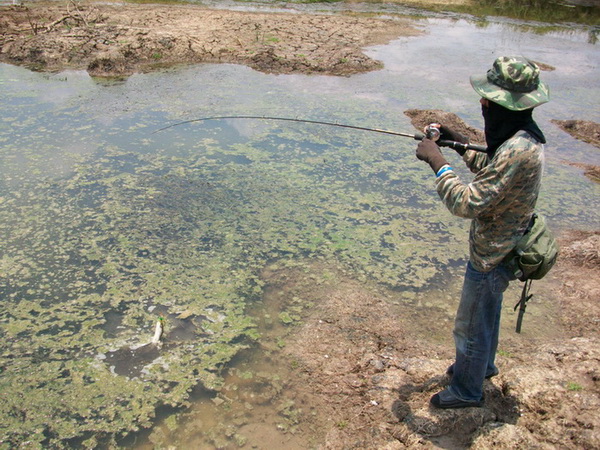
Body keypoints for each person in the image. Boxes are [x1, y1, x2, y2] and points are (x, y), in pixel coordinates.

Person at [415, 56, 550, 409]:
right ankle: (481, 367)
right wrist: (457, 143)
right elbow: (494, 174)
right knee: (486, 314)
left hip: (493, 254)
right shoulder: (521, 138)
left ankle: (466, 390)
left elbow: (467, 203)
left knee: (470, 326)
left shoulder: (517, 150)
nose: (482, 104)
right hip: (506, 246)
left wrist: (437, 162)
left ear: (503, 104)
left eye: (488, 100)